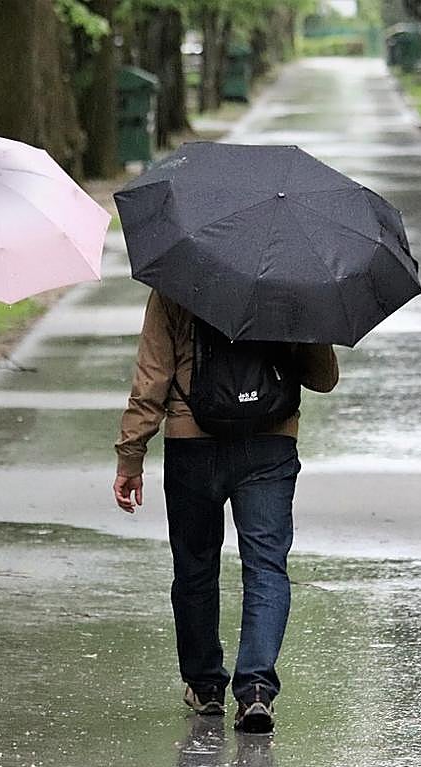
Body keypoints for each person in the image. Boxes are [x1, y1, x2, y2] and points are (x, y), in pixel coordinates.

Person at [114, 290, 338, 734]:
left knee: (195, 566)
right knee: (266, 567)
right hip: (270, 441)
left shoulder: (176, 281)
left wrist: (131, 454)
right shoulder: (293, 281)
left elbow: (152, 377)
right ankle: (256, 689)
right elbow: (323, 377)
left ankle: (206, 685)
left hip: (191, 441)